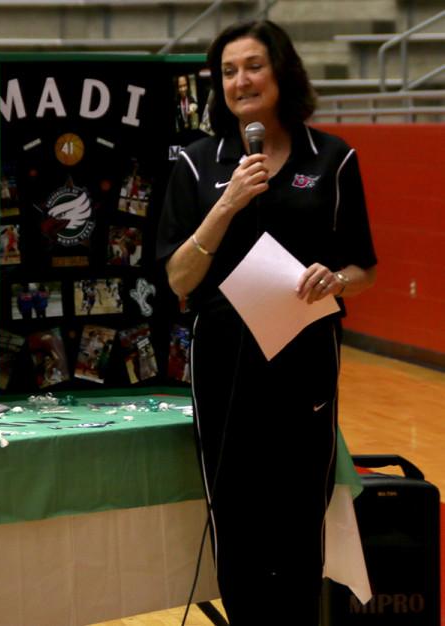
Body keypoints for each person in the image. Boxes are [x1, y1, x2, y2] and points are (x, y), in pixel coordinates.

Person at [156, 20, 377, 624]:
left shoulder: (332, 159)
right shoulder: (198, 167)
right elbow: (178, 279)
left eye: (252, 66)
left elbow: (364, 267)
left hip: (305, 364)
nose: (240, 81)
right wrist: (226, 205)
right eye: (227, 71)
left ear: (281, 72)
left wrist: (336, 279)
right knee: (239, 522)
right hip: (225, 370)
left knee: (299, 524)